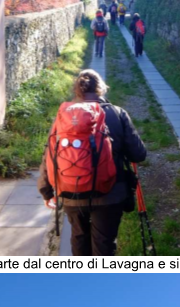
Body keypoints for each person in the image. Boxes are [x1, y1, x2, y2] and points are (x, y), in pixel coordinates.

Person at [38, 68, 147, 255]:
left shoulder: (65, 117)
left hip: (71, 192)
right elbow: (138, 154)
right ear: (101, 89)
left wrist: (47, 192)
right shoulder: (117, 113)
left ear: (77, 91)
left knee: (79, 238)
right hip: (110, 193)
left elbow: (50, 154)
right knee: (104, 244)